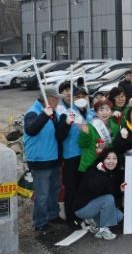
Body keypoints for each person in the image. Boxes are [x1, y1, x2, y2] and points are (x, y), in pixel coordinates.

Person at [23, 87, 62, 234]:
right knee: (42, 194)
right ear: (49, 99)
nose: (58, 101)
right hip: (40, 161)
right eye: (56, 99)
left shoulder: (53, 112)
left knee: (54, 190)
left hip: (53, 158)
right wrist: (45, 114)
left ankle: (53, 215)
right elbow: (31, 130)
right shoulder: (33, 112)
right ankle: (40, 222)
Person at [56, 86, 95, 227]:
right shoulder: (67, 114)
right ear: (73, 99)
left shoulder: (91, 114)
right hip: (71, 157)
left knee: (83, 188)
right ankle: (71, 218)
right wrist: (67, 123)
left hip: (87, 157)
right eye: (78, 97)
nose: (81, 99)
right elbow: (59, 136)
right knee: (71, 189)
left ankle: (82, 214)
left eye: (84, 96)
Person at [73, 149, 125, 240]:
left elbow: (111, 194)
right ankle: (102, 231)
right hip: (82, 207)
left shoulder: (113, 173)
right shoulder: (94, 170)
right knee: (108, 199)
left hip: (96, 206)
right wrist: (102, 173)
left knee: (119, 216)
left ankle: (93, 220)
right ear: (102, 160)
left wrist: (120, 190)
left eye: (114, 158)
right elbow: (96, 190)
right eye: (108, 158)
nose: (111, 161)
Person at [78, 98, 120, 176]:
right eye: (101, 110)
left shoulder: (115, 127)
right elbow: (82, 145)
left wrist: (107, 145)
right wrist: (85, 134)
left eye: (107, 110)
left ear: (111, 112)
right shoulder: (90, 126)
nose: (104, 112)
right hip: (91, 163)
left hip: (108, 165)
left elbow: (117, 146)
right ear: (96, 113)